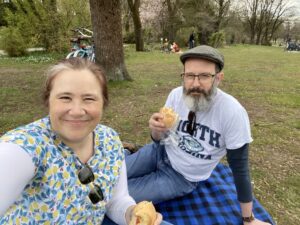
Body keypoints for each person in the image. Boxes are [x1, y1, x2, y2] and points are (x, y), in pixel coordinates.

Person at [0, 58, 163, 225]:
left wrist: (131, 214)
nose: (77, 111)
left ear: (103, 103)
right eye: (65, 97)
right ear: (48, 101)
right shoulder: (25, 147)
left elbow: (116, 200)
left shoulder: (109, 140)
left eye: (89, 99)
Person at [126, 45, 271, 225]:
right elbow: (159, 140)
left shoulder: (232, 113)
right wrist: (156, 131)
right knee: (110, 174)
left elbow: (240, 169)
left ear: (218, 78)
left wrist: (248, 219)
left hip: (180, 177)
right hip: (158, 153)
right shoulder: (175, 95)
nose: (195, 84)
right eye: (189, 75)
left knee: (118, 194)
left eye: (204, 76)